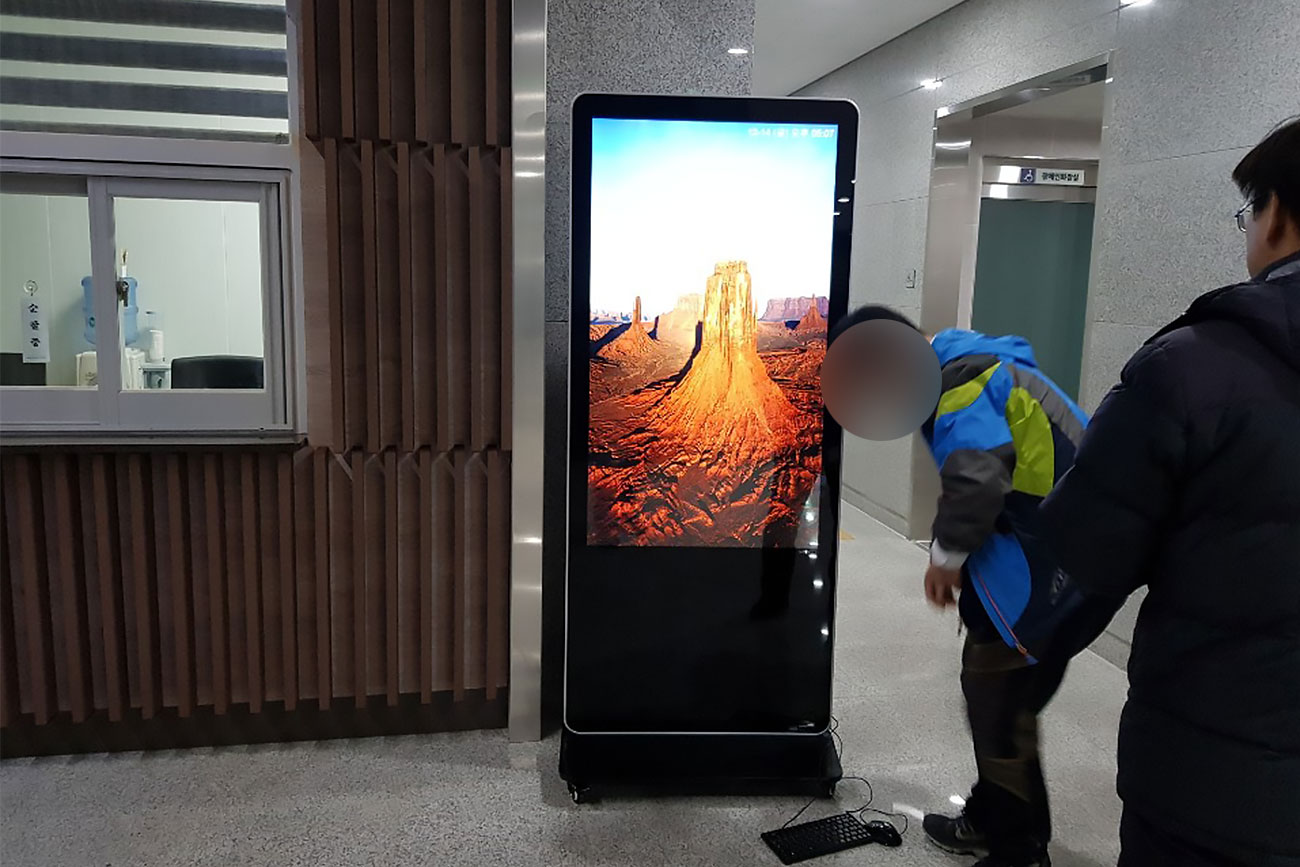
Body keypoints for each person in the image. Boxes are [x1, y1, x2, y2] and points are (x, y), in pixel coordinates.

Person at [1039, 119, 1300, 866]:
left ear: (1277, 216)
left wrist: (1022, 644)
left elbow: (1083, 555)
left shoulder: (1193, 368)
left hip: (1220, 785)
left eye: (1250, 211)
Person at [826, 308, 1114, 867]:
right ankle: (990, 816)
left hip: (1053, 563)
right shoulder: (976, 362)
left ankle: (1019, 852)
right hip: (1065, 551)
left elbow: (977, 479)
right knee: (1003, 696)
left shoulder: (960, 383)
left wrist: (945, 556)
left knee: (998, 703)